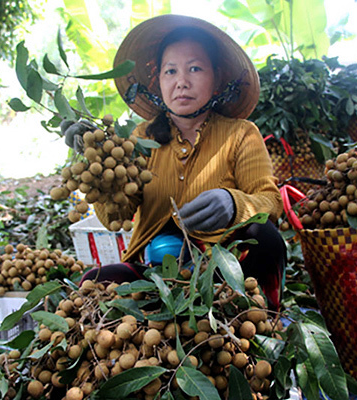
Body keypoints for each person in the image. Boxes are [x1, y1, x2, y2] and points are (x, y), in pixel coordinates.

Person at [62, 14, 286, 310]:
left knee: (266, 237)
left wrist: (234, 205)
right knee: (94, 282)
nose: (182, 82)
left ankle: (260, 321)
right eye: (170, 71)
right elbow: (115, 217)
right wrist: (101, 165)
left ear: (216, 78)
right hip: (155, 276)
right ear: (158, 81)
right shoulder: (139, 138)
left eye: (195, 68)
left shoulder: (241, 134)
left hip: (222, 273)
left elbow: (271, 202)